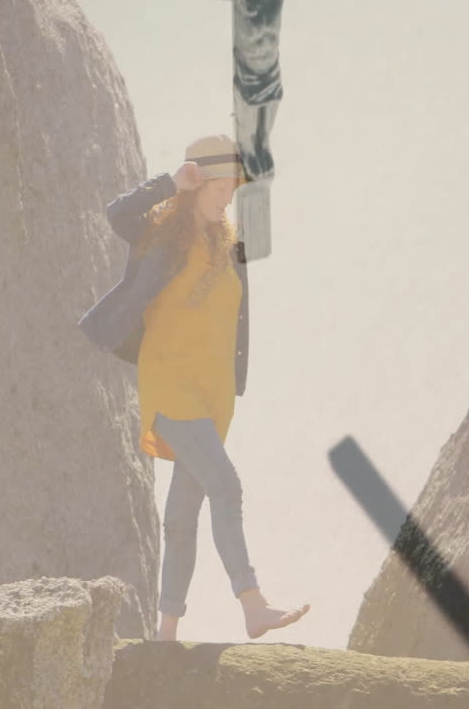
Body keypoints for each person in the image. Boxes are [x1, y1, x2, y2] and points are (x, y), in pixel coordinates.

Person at [78, 134, 309, 641]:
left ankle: (165, 633)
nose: (230, 194)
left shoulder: (230, 246)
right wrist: (168, 183)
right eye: (222, 183)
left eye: (234, 185)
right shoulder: (164, 235)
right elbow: (116, 215)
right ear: (198, 180)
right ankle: (253, 604)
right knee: (226, 485)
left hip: (213, 395)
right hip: (171, 385)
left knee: (184, 512)